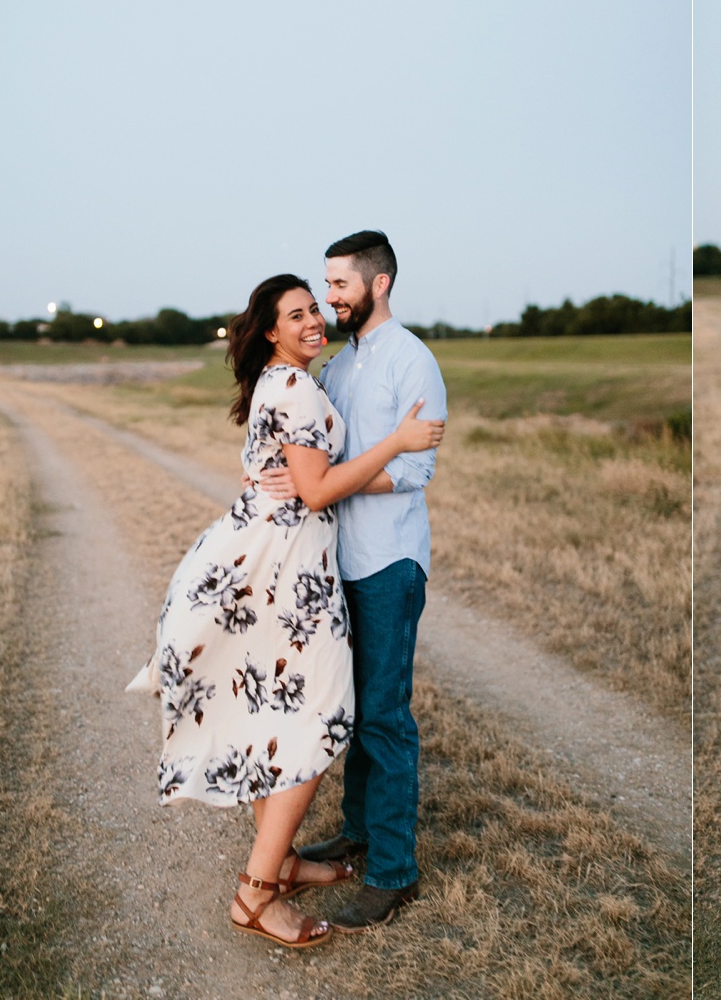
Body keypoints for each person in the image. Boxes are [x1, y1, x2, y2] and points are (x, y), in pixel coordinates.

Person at [126, 273, 445, 949]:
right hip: (287, 575)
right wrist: (397, 441)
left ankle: (285, 862)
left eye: (315, 308)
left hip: (278, 559)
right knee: (317, 716)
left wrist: (282, 478)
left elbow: (292, 472)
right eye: (296, 314)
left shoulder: (286, 380)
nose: (312, 319)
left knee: (276, 709)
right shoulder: (295, 385)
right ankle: (256, 893)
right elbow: (318, 490)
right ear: (271, 330)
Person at [268, 231, 450, 932]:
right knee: (350, 712)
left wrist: (325, 486)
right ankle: (357, 831)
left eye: (339, 285)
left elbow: (414, 469)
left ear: (379, 284)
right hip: (335, 565)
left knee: (384, 715)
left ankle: (394, 873)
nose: (329, 298)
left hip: (389, 563)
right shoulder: (338, 367)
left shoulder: (413, 361)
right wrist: (298, 480)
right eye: (326, 287)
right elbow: (315, 459)